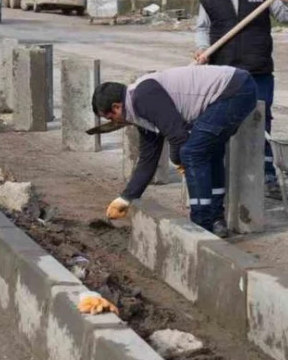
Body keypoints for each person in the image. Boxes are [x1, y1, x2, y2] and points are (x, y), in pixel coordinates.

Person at [93, 65, 258, 238]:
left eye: (111, 118)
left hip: (233, 90)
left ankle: (201, 227)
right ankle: (216, 220)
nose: (116, 123)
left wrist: (178, 160)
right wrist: (126, 198)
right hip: (233, 88)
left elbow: (178, 136)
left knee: (192, 153)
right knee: (207, 150)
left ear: (117, 107)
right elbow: (148, 160)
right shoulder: (140, 113)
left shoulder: (143, 97)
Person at [194, 0, 288, 200]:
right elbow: (202, 28)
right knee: (224, 124)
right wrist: (202, 49)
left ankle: (267, 177)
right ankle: (228, 177)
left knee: (260, 123)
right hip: (224, 74)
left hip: (258, 71)